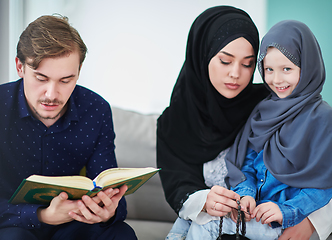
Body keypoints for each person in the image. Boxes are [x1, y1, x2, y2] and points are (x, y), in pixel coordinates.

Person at [157, 6, 332, 240]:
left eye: (248, 63)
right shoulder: (173, 122)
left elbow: (322, 175)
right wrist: (204, 201)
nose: (235, 74)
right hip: (226, 222)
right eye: (225, 61)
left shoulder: (274, 103)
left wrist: (313, 221)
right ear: (202, 55)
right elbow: (179, 187)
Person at [0, 15, 137, 240]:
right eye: (41, 78)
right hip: (13, 225)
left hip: (74, 224)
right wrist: (42, 215)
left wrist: (108, 212)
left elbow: (107, 186)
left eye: (65, 80)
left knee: (121, 234)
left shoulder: (96, 109)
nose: (52, 94)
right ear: (20, 67)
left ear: (79, 71)